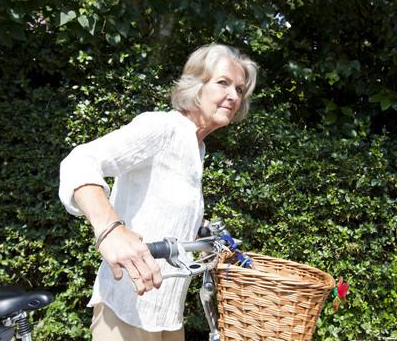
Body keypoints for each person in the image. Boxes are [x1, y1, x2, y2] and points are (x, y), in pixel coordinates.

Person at [58, 44, 257, 340]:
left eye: (240, 89)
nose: (234, 96)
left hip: (168, 318)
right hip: (126, 313)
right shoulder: (163, 129)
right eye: (223, 83)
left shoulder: (196, 148)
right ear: (196, 86)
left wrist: (200, 234)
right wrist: (111, 230)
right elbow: (79, 161)